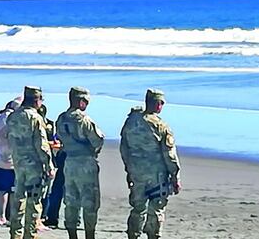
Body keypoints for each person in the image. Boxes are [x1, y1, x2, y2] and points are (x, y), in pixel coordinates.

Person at [121, 88, 182, 239]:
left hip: (136, 172)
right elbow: (169, 155)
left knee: (138, 207)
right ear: (157, 104)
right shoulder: (160, 126)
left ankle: (133, 235)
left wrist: (129, 170)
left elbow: (124, 149)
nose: (161, 106)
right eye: (161, 103)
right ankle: (153, 235)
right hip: (157, 175)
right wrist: (175, 176)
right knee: (156, 207)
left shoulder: (131, 121)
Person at [6, 86, 55, 239]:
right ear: (36, 100)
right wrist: (49, 166)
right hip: (34, 164)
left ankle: (15, 233)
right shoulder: (35, 117)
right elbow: (42, 145)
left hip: (18, 162)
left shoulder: (13, 116)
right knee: (34, 201)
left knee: (18, 198)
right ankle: (30, 234)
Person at [57, 87, 106, 239]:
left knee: (71, 200)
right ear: (80, 101)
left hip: (69, 162)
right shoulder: (84, 120)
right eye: (85, 101)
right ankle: (89, 235)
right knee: (90, 201)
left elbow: (60, 137)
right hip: (86, 163)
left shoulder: (61, 118)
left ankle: (72, 234)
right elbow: (97, 140)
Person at [40, 104, 64, 229]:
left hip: (56, 159)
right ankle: (49, 216)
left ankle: (49, 216)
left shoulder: (51, 123)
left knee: (53, 190)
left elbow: (57, 141)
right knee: (52, 190)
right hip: (51, 159)